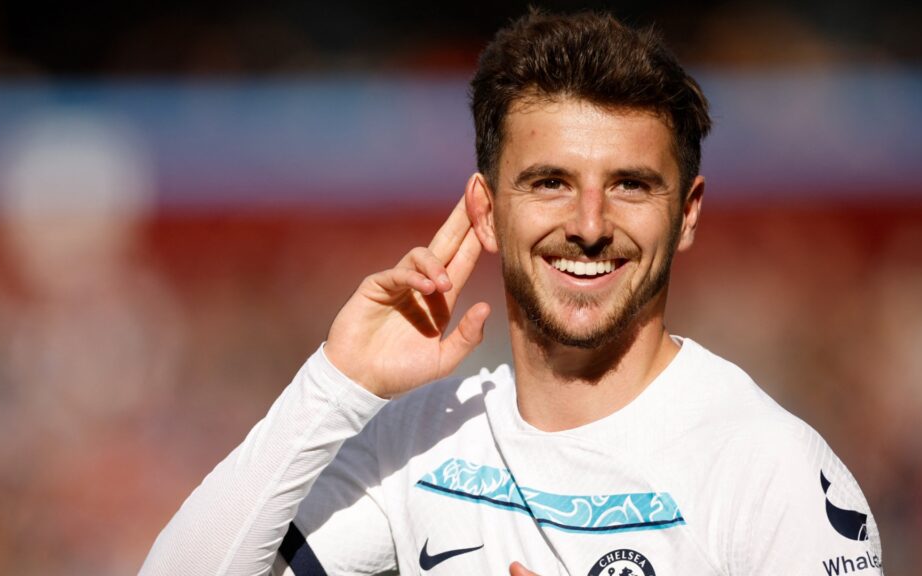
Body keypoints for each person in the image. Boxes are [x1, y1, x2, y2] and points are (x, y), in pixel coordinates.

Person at [142, 11, 884, 576]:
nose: (589, 226)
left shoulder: (770, 468)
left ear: (686, 214)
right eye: (550, 182)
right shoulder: (426, 439)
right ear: (487, 211)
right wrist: (335, 385)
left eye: (629, 185)